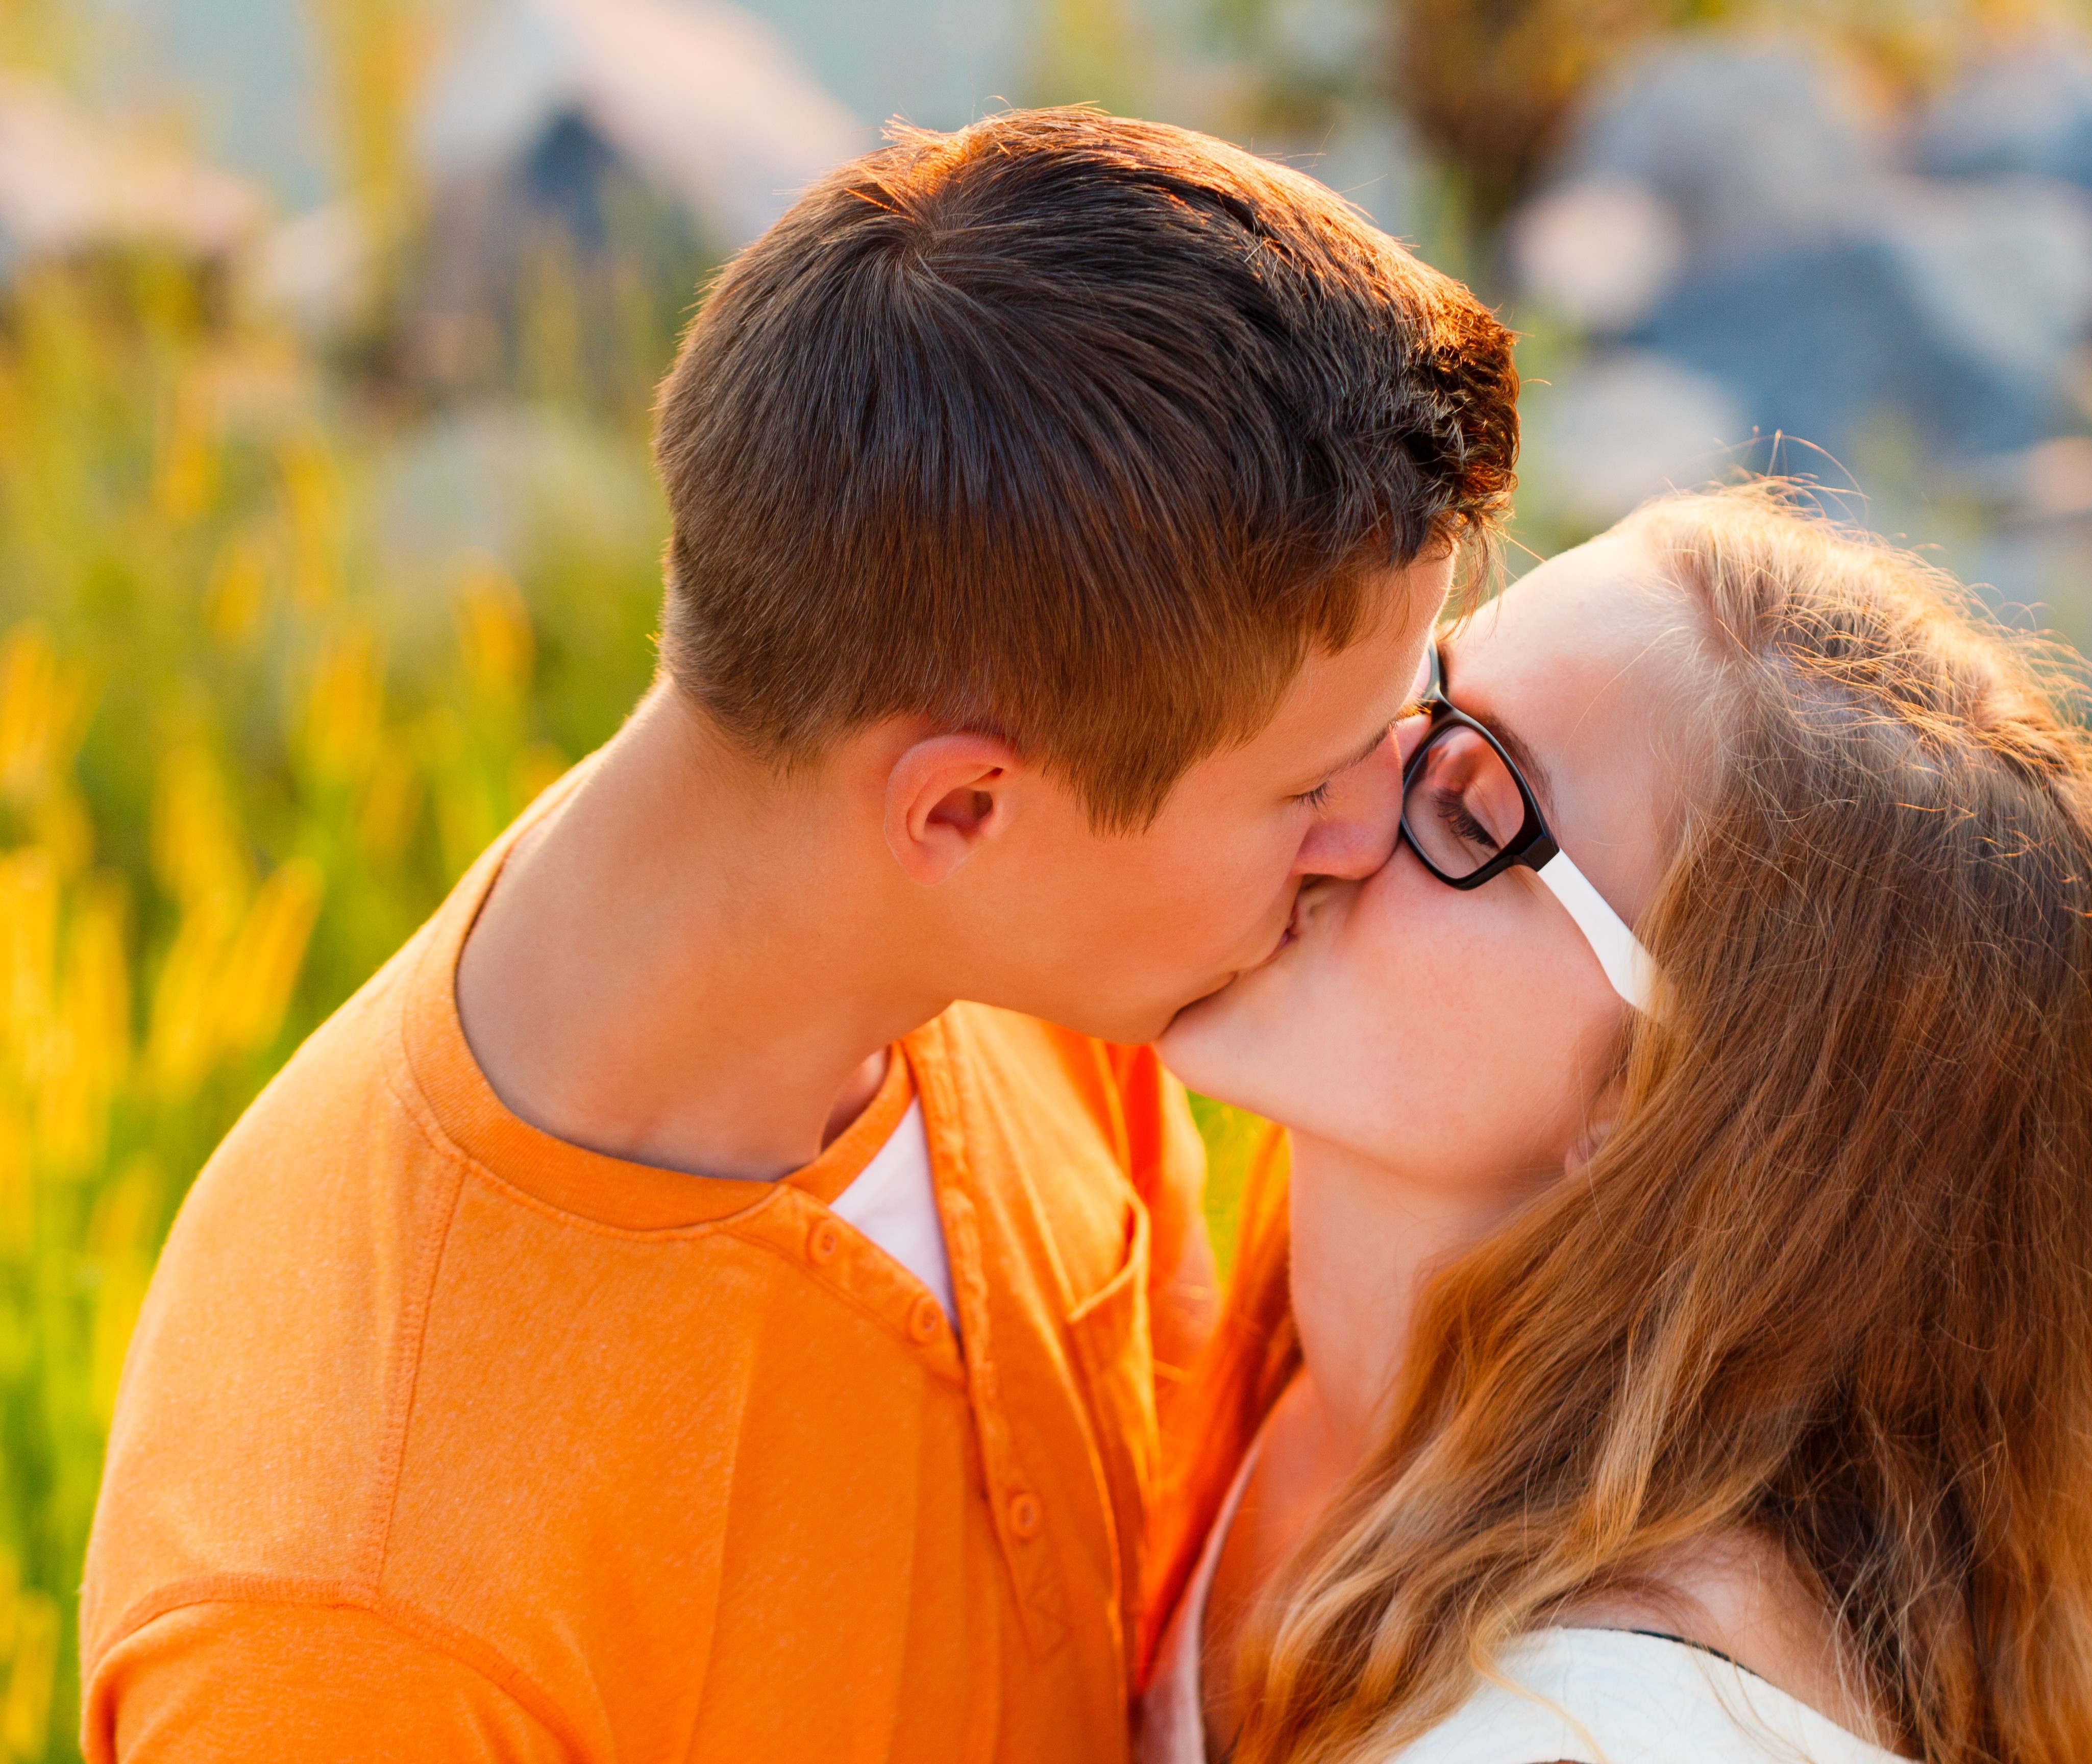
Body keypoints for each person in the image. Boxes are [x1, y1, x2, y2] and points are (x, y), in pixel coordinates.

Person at [79, 110, 1518, 1763]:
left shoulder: (1030, 979)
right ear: (962, 809)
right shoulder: (357, 1628)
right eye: (1308, 784)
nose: (1375, 830)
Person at [1145, 485, 2092, 1764]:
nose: (1333, 790)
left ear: (1657, 1098)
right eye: (1407, 690)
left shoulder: (1625, 1734)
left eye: (1470, 806)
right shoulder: (1303, 1383)